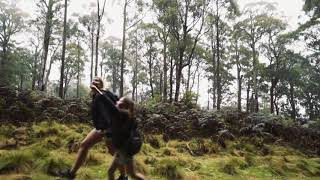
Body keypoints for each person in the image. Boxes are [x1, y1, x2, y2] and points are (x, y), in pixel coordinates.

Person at [58, 77, 127, 180]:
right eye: (93, 81)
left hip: (110, 128)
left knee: (114, 152)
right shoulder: (96, 96)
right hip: (101, 128)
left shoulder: (105, 93)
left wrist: (109, 129)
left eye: (97, 81)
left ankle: (123, 176)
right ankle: (72, 174)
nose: (94, 82)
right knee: (84, 145)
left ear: (101, 84)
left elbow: (113, 108)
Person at [90, 85, 144, 180]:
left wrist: (98, 91)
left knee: (123, 173)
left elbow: (108, 104)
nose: (117, 102)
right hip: (123, 151)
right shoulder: (128, 117)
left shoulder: (122, 115)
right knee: (129, 174)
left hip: (124, 151)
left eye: (120, 102)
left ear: (125, 106)